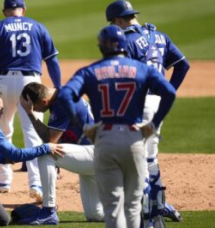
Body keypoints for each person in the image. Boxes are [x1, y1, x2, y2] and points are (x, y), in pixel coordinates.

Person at [57, 25, 176, 228]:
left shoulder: (90, 71)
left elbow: (65, 95)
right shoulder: (141, 69)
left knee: (113, 208)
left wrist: (84, 126)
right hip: (134, 138)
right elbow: (170, 92)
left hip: (105, 138)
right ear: (123, 45)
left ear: (101, 46)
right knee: (132, 206)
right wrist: (153, 125)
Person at [105, 1, 190, 226]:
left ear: (120, 20)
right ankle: (159, 207)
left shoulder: (127, 40)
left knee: (136, 162)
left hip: (139, 105)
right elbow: (183, 65)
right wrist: (167, 93)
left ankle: (146, 218)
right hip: (157, 103)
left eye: (114, 23)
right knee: (151, 160)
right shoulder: (159, 35)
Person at [0, 0, 62, 202]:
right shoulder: (37, 26)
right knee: (32, 132)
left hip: (4, 82)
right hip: (31, 82)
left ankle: (3, 181)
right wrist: (58, 86)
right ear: (23, 10)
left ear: (4, 11)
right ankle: (36, 184)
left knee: (2, 130)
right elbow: (52, 59)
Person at [0, 89, 64, 226]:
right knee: (2, 219)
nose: (2, 113)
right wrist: (46, 147)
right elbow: (16, 154)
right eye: (0, 109)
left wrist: (1, 159)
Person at [16, 82, 104, 225]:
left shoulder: (62, 101)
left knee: (46, 153)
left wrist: (30, 113)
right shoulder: (62, 94)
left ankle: (48, 211)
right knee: (95, 215)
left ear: (43, 101)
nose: (37, 110)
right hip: (91, 154)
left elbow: (49, 140)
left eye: (36, 107)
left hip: (96, 153)